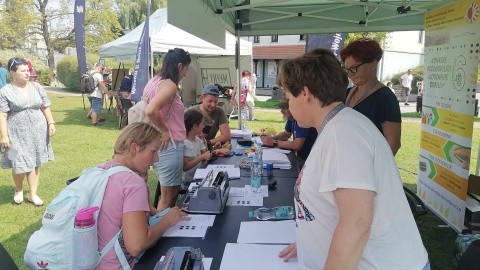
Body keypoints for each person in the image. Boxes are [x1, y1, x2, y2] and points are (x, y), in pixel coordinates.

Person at [276, 50, 429, 270]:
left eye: (289, 98)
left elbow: (357, 223)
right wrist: (311, 241)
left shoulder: (343, 133)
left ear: (305, 93)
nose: (288, 105)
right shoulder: (338, 126)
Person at [96, 122, 190, 269]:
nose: (156, 159)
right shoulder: (132, 182)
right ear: (135, 148)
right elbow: (137, 245)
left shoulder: (99, 171)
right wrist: (167, 220)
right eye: (153, 151)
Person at [0, 57, 56, 206]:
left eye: (28, 70)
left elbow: (45, 106)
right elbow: (3, 114)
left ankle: (33, 194)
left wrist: (51, 122)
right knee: (16, 161)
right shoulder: (5, 91)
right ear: (13, 72)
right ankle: (18, 190)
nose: (27, 74)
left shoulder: (36, 87)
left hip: (37, 132)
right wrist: (4, 136)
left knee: (35, 162)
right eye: (23, 71)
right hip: (15, 134)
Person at [145, 48, 191, 210]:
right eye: (186, 69)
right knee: (168, 198)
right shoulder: (170, 85)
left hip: (162, 145)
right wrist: (165, 130)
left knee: (169, 196)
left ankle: (162, 229)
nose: (185, 74)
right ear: (179, 66)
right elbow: (151, 110)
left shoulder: (155, 81)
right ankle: (159, 232)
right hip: (169, 146)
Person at [339, 40, 402, 155]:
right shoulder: (347, 93)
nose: (350, 74)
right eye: (347, 69)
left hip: (368, 165)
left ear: (372, 65)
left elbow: (393, 143)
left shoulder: (385, 97)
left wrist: (375, 168)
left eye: (354, 67)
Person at [260, 97, 317, 168]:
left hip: (309, 160)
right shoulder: (292, 118)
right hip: (302, 158)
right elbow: (286, 134)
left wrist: (274, 142)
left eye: (284, 108)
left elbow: (297, 145)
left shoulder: (302, 120)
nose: (281, 111)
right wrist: (270, 138)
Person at [182, 110, 213, 188]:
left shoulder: (197, 139)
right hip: (189, 181)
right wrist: (202, 157)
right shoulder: (185, 143)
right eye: (202, 124)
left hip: (199, 175)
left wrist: (215, 150)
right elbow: (185, 167)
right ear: (195, 126)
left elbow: (206, 154)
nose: (204, 126)